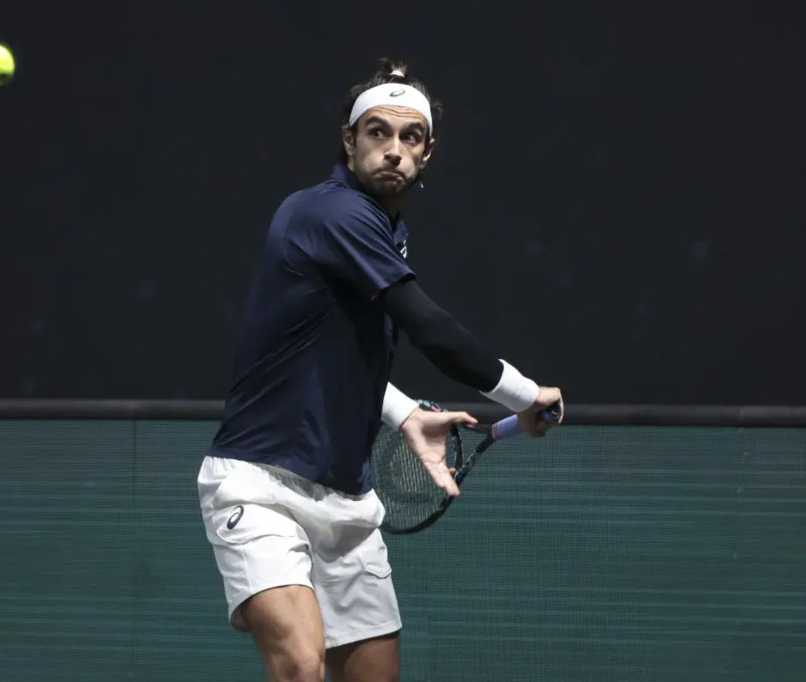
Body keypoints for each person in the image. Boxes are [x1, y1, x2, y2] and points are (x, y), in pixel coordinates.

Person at [198, 57, 564, 682]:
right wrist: (527, 396)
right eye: (377, 132)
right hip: (259, 487)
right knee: (301, 666)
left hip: (348, 501)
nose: (393, 149)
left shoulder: (386, 232)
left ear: (426, 153)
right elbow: (431, 330)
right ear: (349, 140)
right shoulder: (330, 213)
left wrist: (404, 414)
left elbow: (333, 348)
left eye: (410, 137)